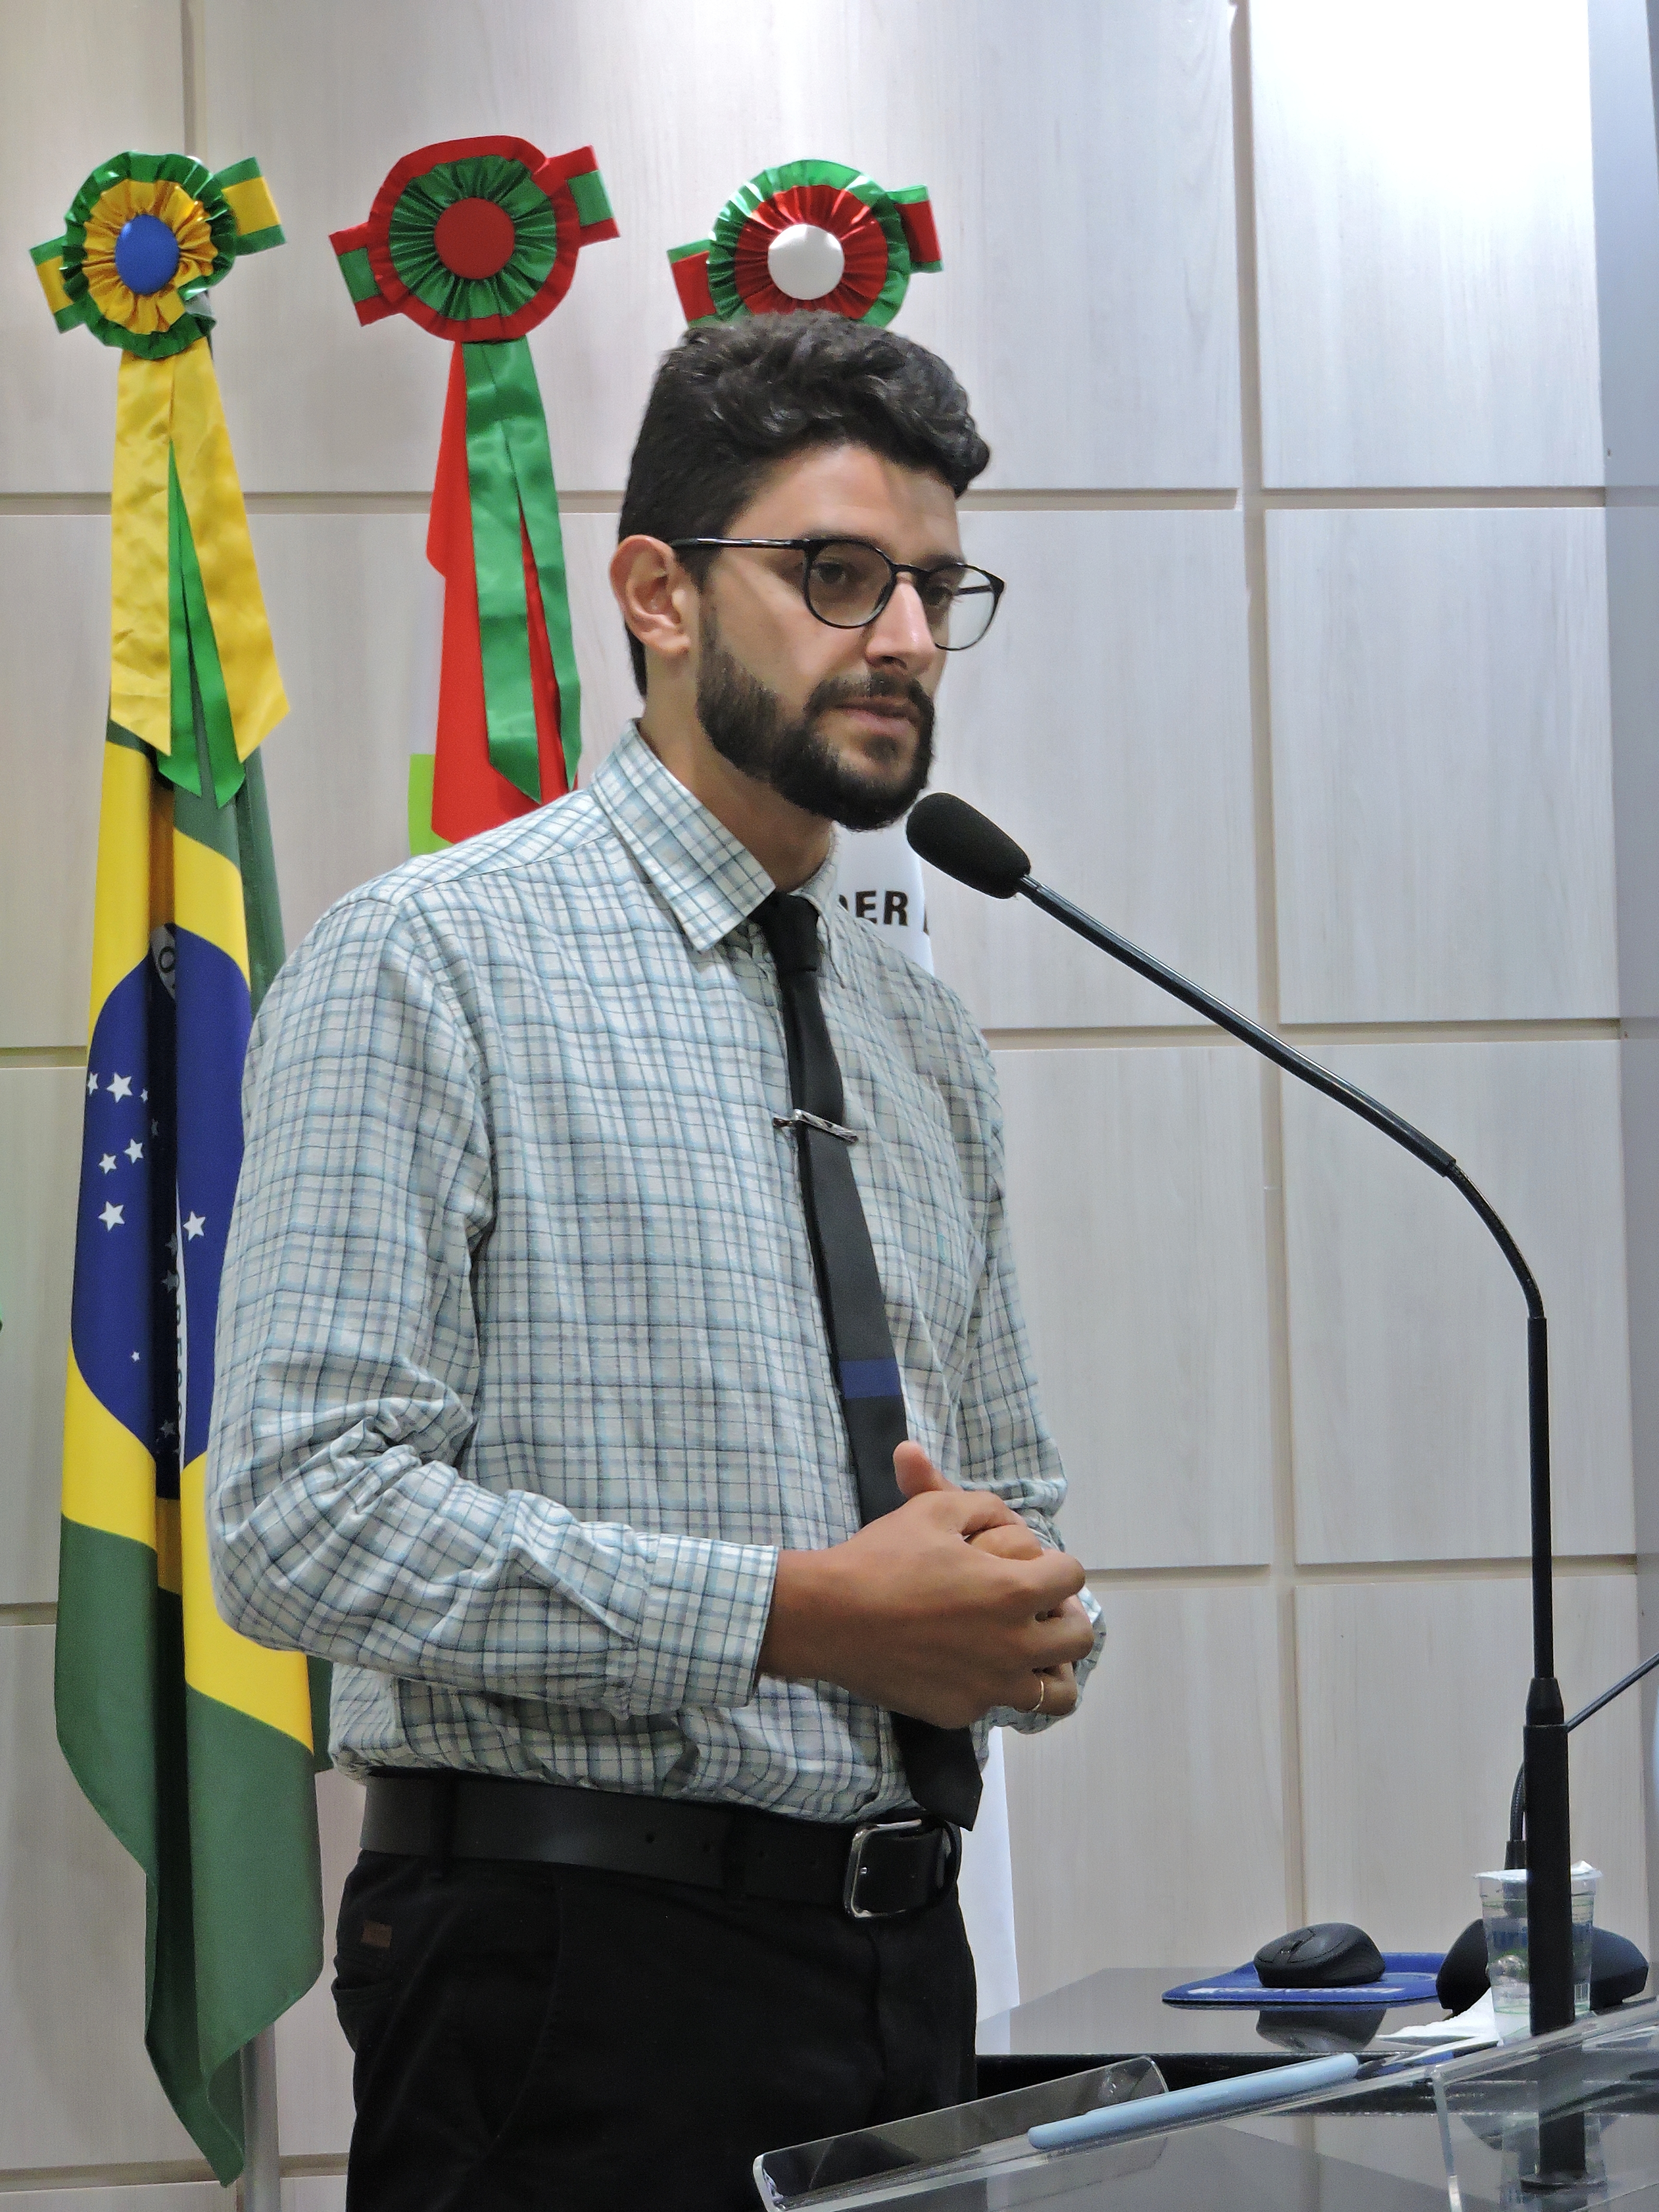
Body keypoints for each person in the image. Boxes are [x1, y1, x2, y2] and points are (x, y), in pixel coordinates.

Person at [205, 312, 1101, 2212]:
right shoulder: (430, 961)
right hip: (566, 1983)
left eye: (940, 590)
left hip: (899, 1970)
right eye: (838, 575)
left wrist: (1024, 1613)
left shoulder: (916, 1031)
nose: (909, 642)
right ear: (657, 593)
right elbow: (300, 1523)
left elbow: (1005, 1485)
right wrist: (798, 1613)